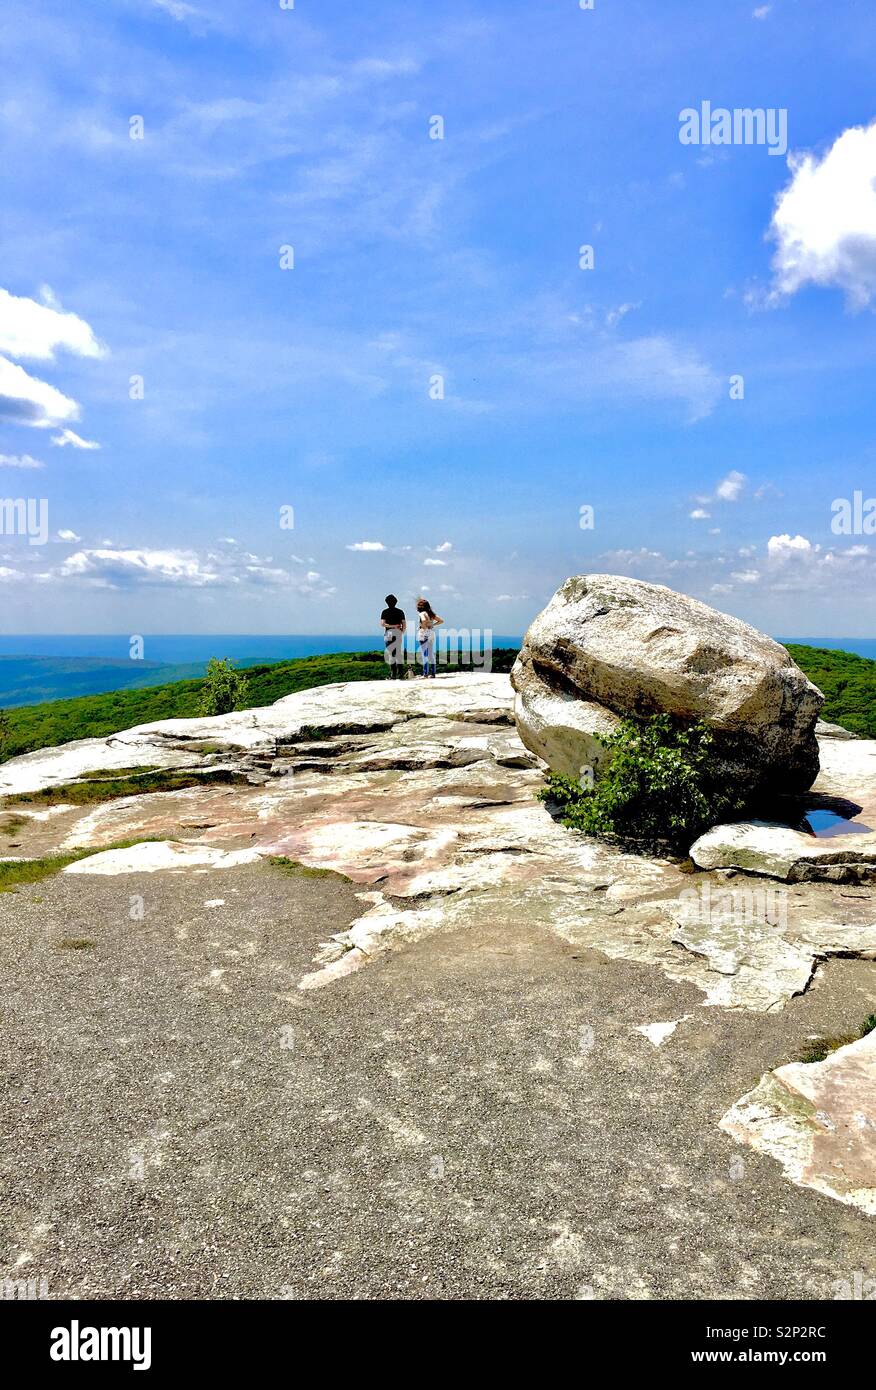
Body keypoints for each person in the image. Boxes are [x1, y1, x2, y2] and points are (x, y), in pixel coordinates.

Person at [416, 596, 443, 678]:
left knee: (425, 654)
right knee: (431, 654)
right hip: (431, 633)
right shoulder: (431, 614)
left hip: (424, 633)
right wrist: (432, 625)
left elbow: (423, 620)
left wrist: (424, 628)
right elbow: (441, 621)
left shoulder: (422, 613)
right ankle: (433, 673)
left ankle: (425, 673)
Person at [380, 594, 406, 679]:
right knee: (398, 653)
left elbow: (383, 624)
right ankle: (401, 673)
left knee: (391, 654)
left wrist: (392, 626)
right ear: (396, 602)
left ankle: (393, 674)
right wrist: (401, 631)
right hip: (398, 632)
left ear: (386, 602)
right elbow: (404, 624)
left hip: (388, 633)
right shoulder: (400, 611)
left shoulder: (384, 612)